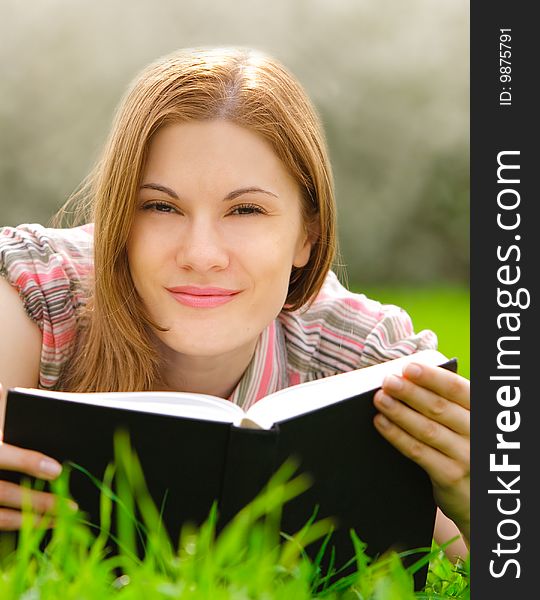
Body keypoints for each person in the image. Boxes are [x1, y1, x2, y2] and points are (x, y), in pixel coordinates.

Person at [0, 47, 470, 558]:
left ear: (306, 234)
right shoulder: (40, 295)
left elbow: (469, 547)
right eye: (160, 206)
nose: (201, 254)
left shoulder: (359, 357)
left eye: (245, 210)